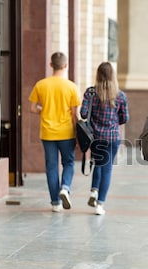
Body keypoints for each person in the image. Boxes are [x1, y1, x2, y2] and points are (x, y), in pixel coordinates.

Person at [29, 52, 81, 212]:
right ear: (65, 66)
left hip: (48, 132)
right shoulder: (71, 87)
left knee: (51, 166)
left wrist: (44, 110)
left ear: (50, 65)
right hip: (66, 132)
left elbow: (32, 108)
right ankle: (65, 187)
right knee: (69, 163)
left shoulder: (41, 85)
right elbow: (74, 113)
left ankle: (55, 203)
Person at [80, 62, 129, 215]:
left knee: (98, 163)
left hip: (95, 137)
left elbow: (83, 113)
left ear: (98, 75)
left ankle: (94, 190)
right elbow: (124, 118)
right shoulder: (120, 95)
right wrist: (113, 122)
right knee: (106, 168)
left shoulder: (91, 93)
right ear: (112, 75)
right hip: (113, 136)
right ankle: (100, 204)